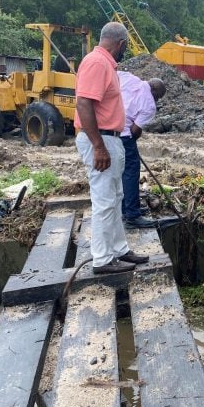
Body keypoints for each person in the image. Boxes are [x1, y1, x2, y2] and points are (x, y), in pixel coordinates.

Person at [74, 21, 149, 274]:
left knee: (115, 197)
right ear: (121, 44)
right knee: (105, 200)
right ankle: (103, 259)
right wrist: (98, 146)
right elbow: (84, 103)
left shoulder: (105, 63)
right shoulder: (97, 62)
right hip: (102, 139)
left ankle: (119, 249)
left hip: (110, 138)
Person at [117, 71, 167, 228]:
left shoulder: (128, 78)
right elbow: (134, 130)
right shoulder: (150, 105)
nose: (157, 100)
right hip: (125, 134)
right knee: (131, 172)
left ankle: (125, 209)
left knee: (121, 172)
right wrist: (134, 140)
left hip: (109, 130)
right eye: (158, 97)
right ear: (155, 92)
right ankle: (132, 215)